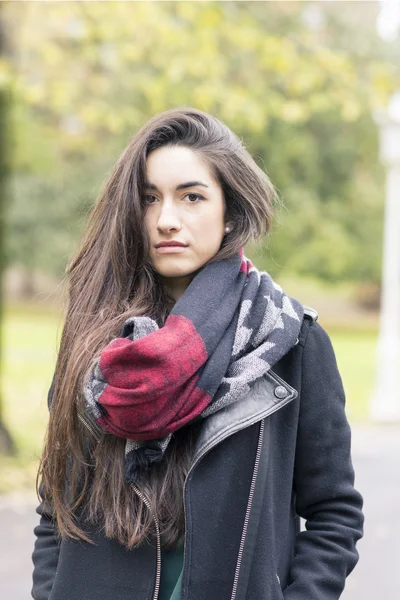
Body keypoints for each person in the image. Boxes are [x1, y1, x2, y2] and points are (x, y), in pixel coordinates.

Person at [31, 107, 364, 600]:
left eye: (191, 197)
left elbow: (334, 514)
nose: (167, 220)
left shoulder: (290, 340)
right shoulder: (93, 340)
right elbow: (54, 508)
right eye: (149, 199)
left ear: (230, 210)